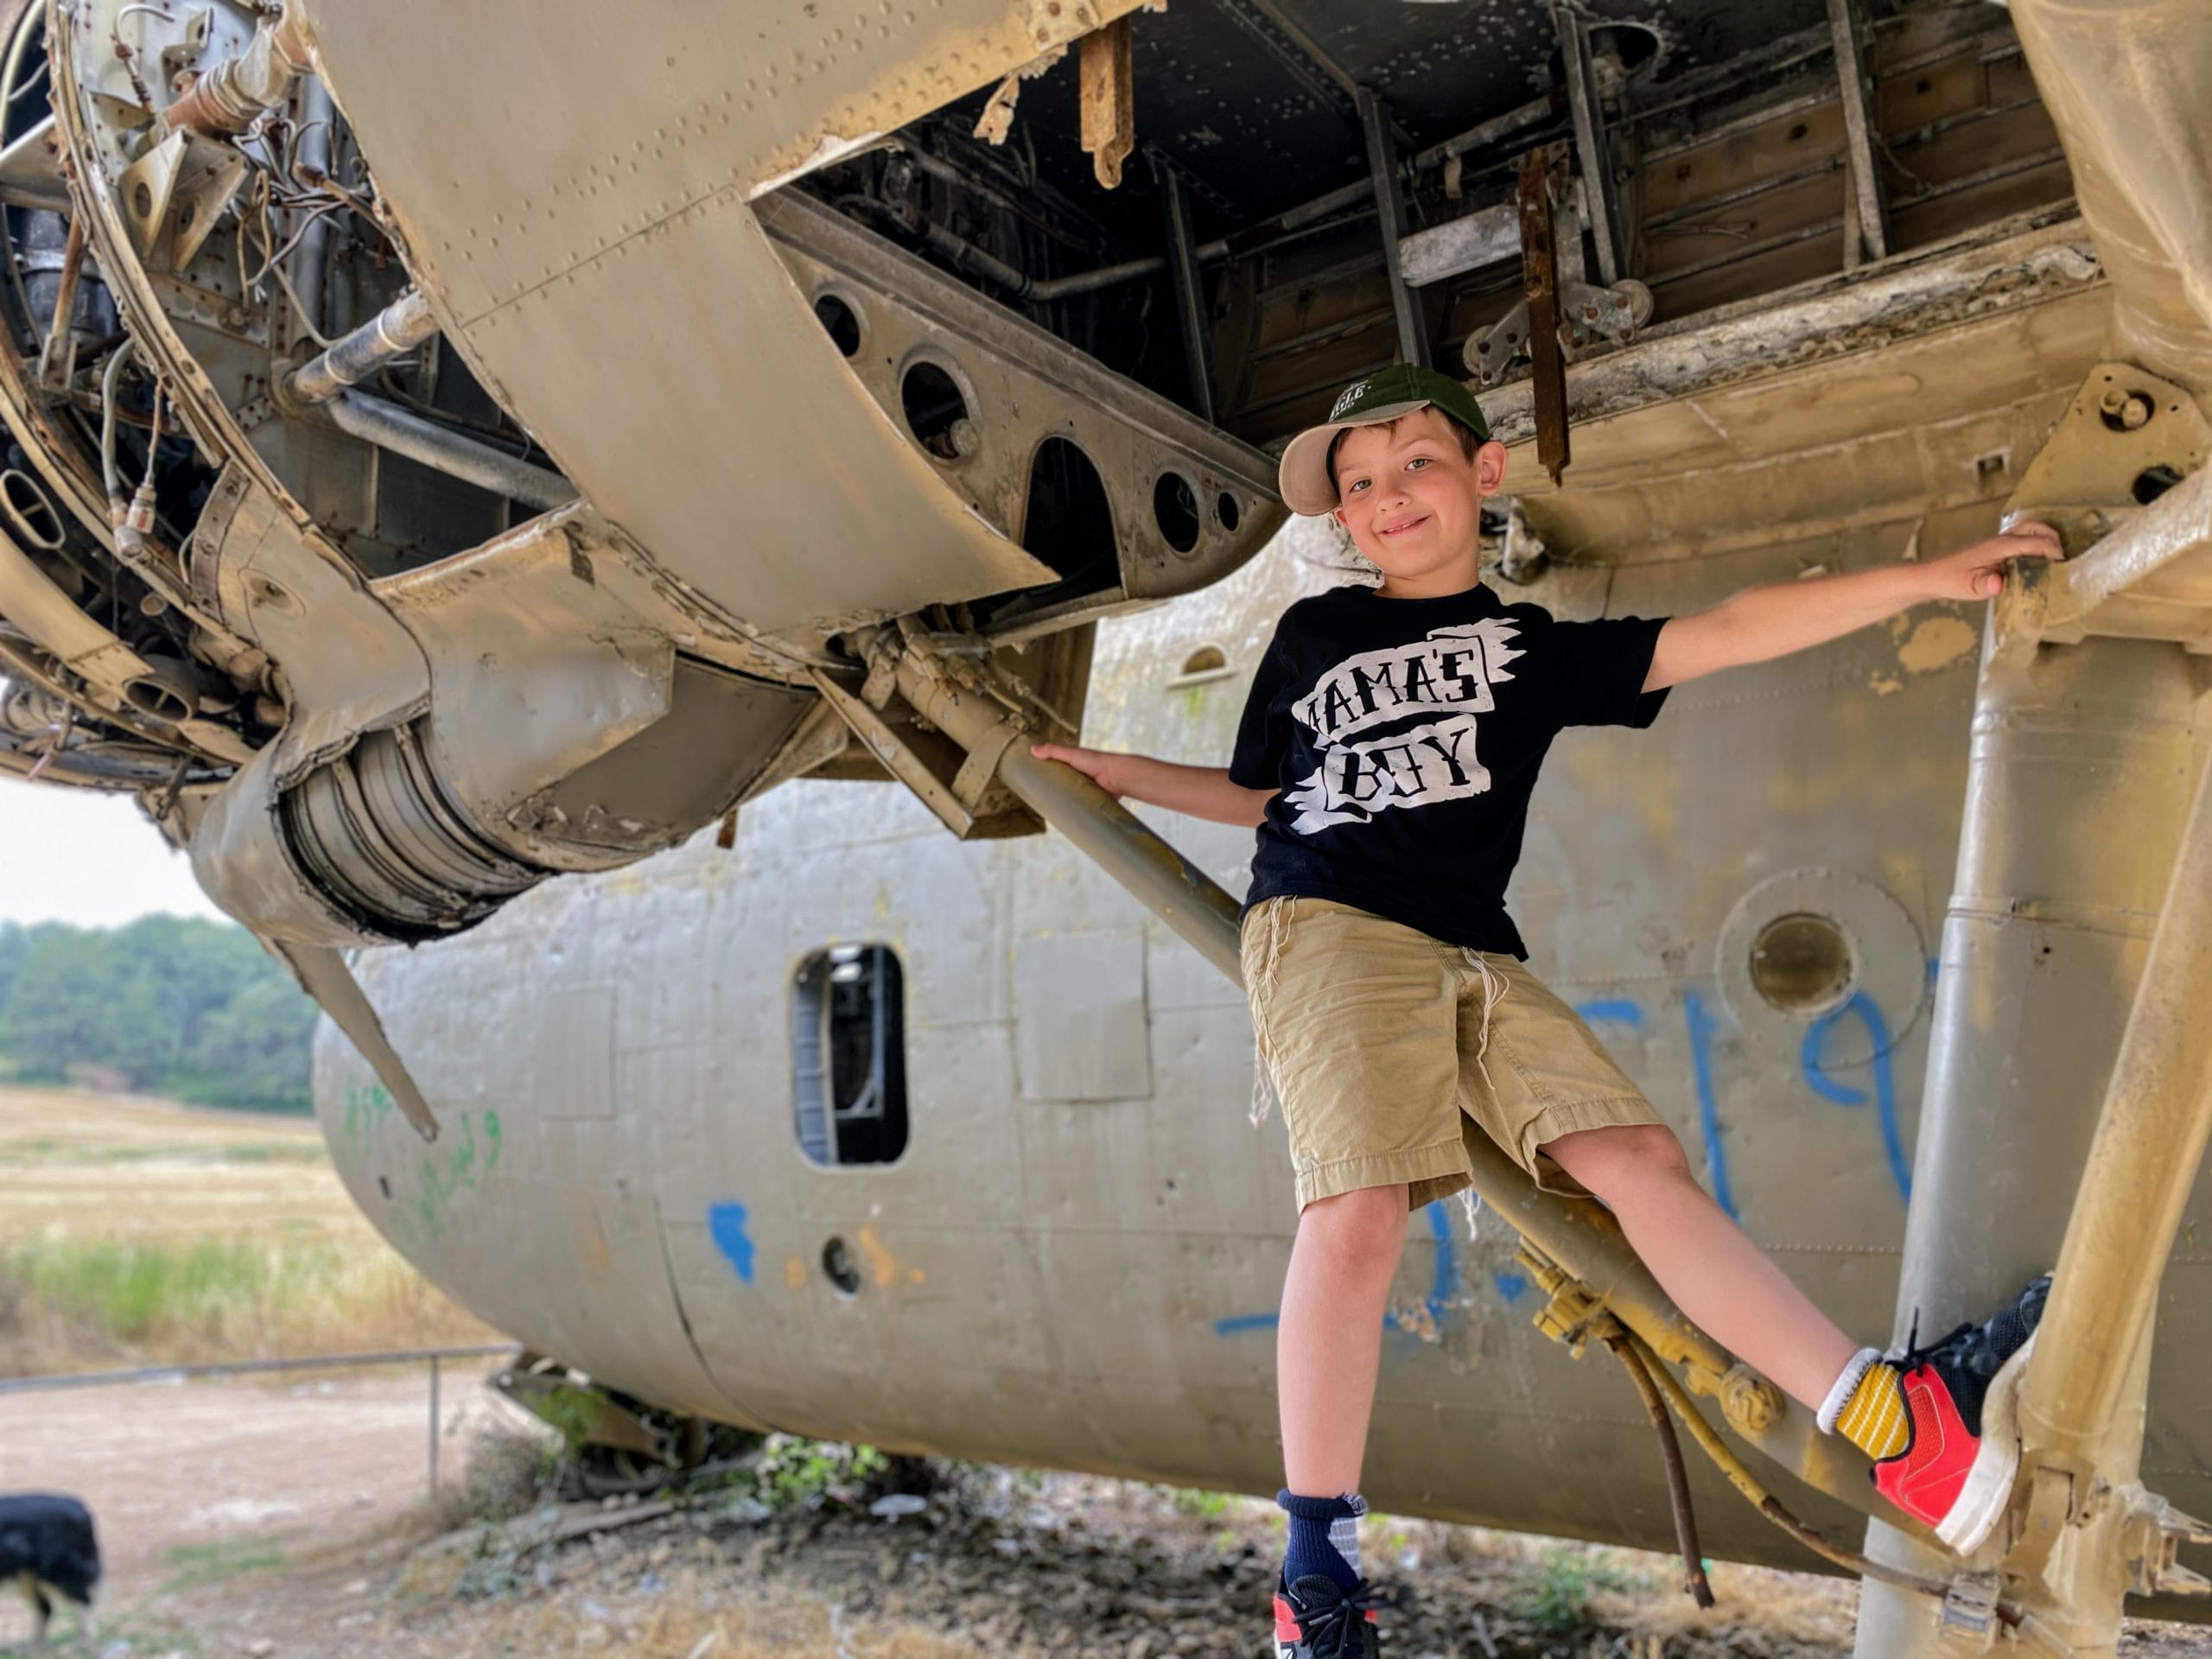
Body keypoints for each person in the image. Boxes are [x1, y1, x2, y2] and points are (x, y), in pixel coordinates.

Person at [1032, 364, 2063, 1658]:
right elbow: (1264, 796)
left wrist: (1929, 576)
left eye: (1414, 462)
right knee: (1356, 1207)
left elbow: (1734, 626)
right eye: (1359, 486)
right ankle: (1319, 1577)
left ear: (1484, 475)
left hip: (1474, 949)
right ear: (1344, 524)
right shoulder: (1313, 640)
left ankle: (1898, 1430)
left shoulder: (1529, 653)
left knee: (1639, 1161)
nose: (1387, 495)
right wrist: (1110, 772)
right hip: (1329, 924)